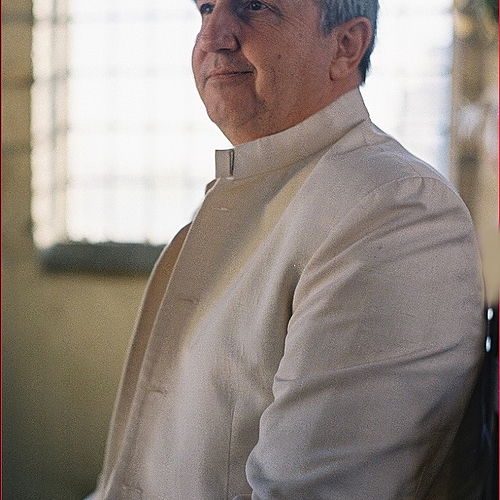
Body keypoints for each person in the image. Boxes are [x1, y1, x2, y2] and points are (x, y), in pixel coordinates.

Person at [87, 0, 487, 498]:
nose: (212, 38)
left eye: (253, 6)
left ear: (346, 46)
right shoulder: (261, 186)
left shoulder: (395, 210)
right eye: (206, 8)